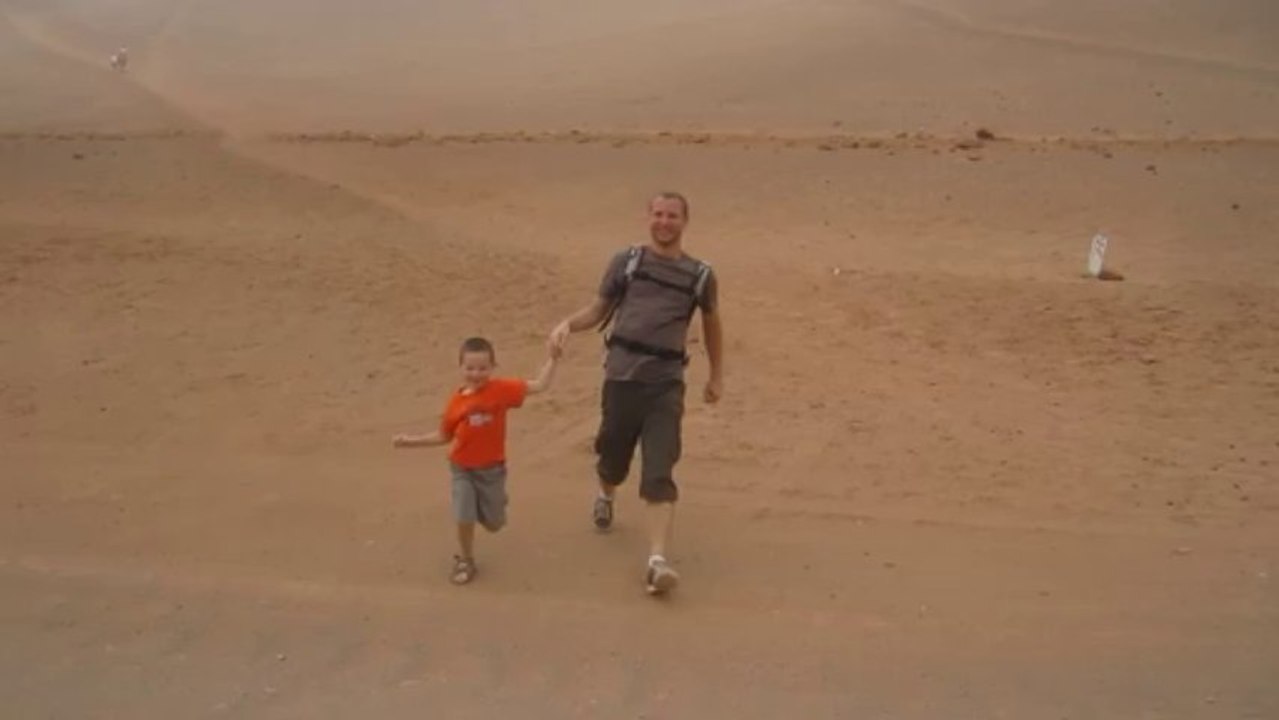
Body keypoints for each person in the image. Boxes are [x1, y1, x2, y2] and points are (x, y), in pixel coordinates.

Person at [549, 191, 724, 595]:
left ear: (685, 221)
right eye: (658, 214)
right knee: (612, 456)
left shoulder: (700, 275)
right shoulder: (626, 262)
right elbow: (598, 309)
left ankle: (657, 559)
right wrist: (566, 325)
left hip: (666, 384)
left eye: (673, 216)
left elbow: (714, 325)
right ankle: (606, 493)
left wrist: (716, 376)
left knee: (660, 468)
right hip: (621, 378)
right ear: (648, 218)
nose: (665, 222)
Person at [393, 337, 559, 585]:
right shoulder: (456, 403)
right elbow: (443, 436)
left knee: (494, 524)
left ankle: (493, 502)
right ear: (460, 368)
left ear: (493, 367)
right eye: (470, 368)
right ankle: (466, 559)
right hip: (462, 469)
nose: (476, 373)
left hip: (492, 471)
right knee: (464, 515)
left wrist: (554, 358)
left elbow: (540, 385)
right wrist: (410, 441)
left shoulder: (502, 390)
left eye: (482, 368)